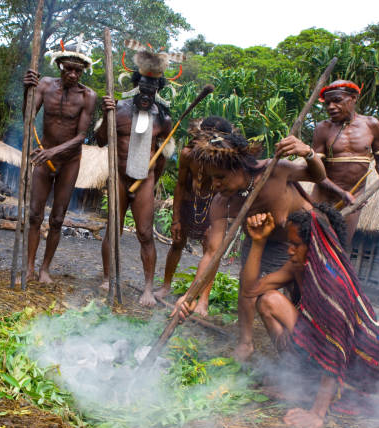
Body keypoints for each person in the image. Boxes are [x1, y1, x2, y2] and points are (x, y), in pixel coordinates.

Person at [173, 133, 326, 359]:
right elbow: (212, 252)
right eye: (211, 179)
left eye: (220, 177)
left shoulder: (275, 171)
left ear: (238, 168)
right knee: (248, 288)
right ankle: (246, 343)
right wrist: (190, 294)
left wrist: (308, 153)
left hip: (302, 244)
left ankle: (313, 353)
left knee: (302, 300)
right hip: (261, 242)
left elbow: (318, 176)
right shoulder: (222, 202)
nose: (215, 185)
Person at [237, 206, 379, 428]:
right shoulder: (299, 266)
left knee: (275, 303)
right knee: (268, 300)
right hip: (325, 350)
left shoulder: (332, 282)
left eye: (296, 245)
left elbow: (336, 349)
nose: (289, 251)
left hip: (354, 369)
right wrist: (258, 242)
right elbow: (250, 290)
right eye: (290, 244)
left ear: (316, 245)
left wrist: (317, 413)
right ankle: (297, 380)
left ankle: (311, 389)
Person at [98, 41, 184, 306]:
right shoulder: (119, 109)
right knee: (113, 229)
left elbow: (162, 160)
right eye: (144, 86)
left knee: (145, 233)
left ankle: (148, 288)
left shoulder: (163, 119)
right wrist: (105, 115)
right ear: (137, 85)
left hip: (144, 180)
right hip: (119, 178)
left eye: (153, 87)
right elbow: (101, 140)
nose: (147, 91)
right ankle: (107, 277)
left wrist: (150, 181)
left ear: (158, 90)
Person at [22, 37, 97, 284]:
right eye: (69, 69)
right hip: (44, 156)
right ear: (60, 66)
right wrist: (27, 90)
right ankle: (30, 266)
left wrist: (53, 152)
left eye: (78, 70)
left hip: (68, 161)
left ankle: (45, 269)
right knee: (34, 214)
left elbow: (81, 136)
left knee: (56, 219)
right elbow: (28, 116)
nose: (73, 75)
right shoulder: (44, 85)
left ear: (83, 71)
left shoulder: (88, 96)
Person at [311, 80, 379, 247]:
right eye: (328, 103)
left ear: (353, 98)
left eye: (337, 100)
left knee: (341, 247)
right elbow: (315, 172)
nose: (331, 107)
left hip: (354, 197)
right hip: (323, 197)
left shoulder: (372, 125)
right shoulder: (322, 128)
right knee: (313, 246)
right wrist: (340, 192)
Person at [155, 116, 233, 300]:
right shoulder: (189, 154)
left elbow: (230, 192)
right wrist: (176, 219)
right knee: (177, 242)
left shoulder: (227, 159)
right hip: (189, 203)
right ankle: (166, 286)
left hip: (214, 207)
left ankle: (203, 299)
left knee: (211, 249)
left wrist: (218, 222)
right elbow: (180, 185)